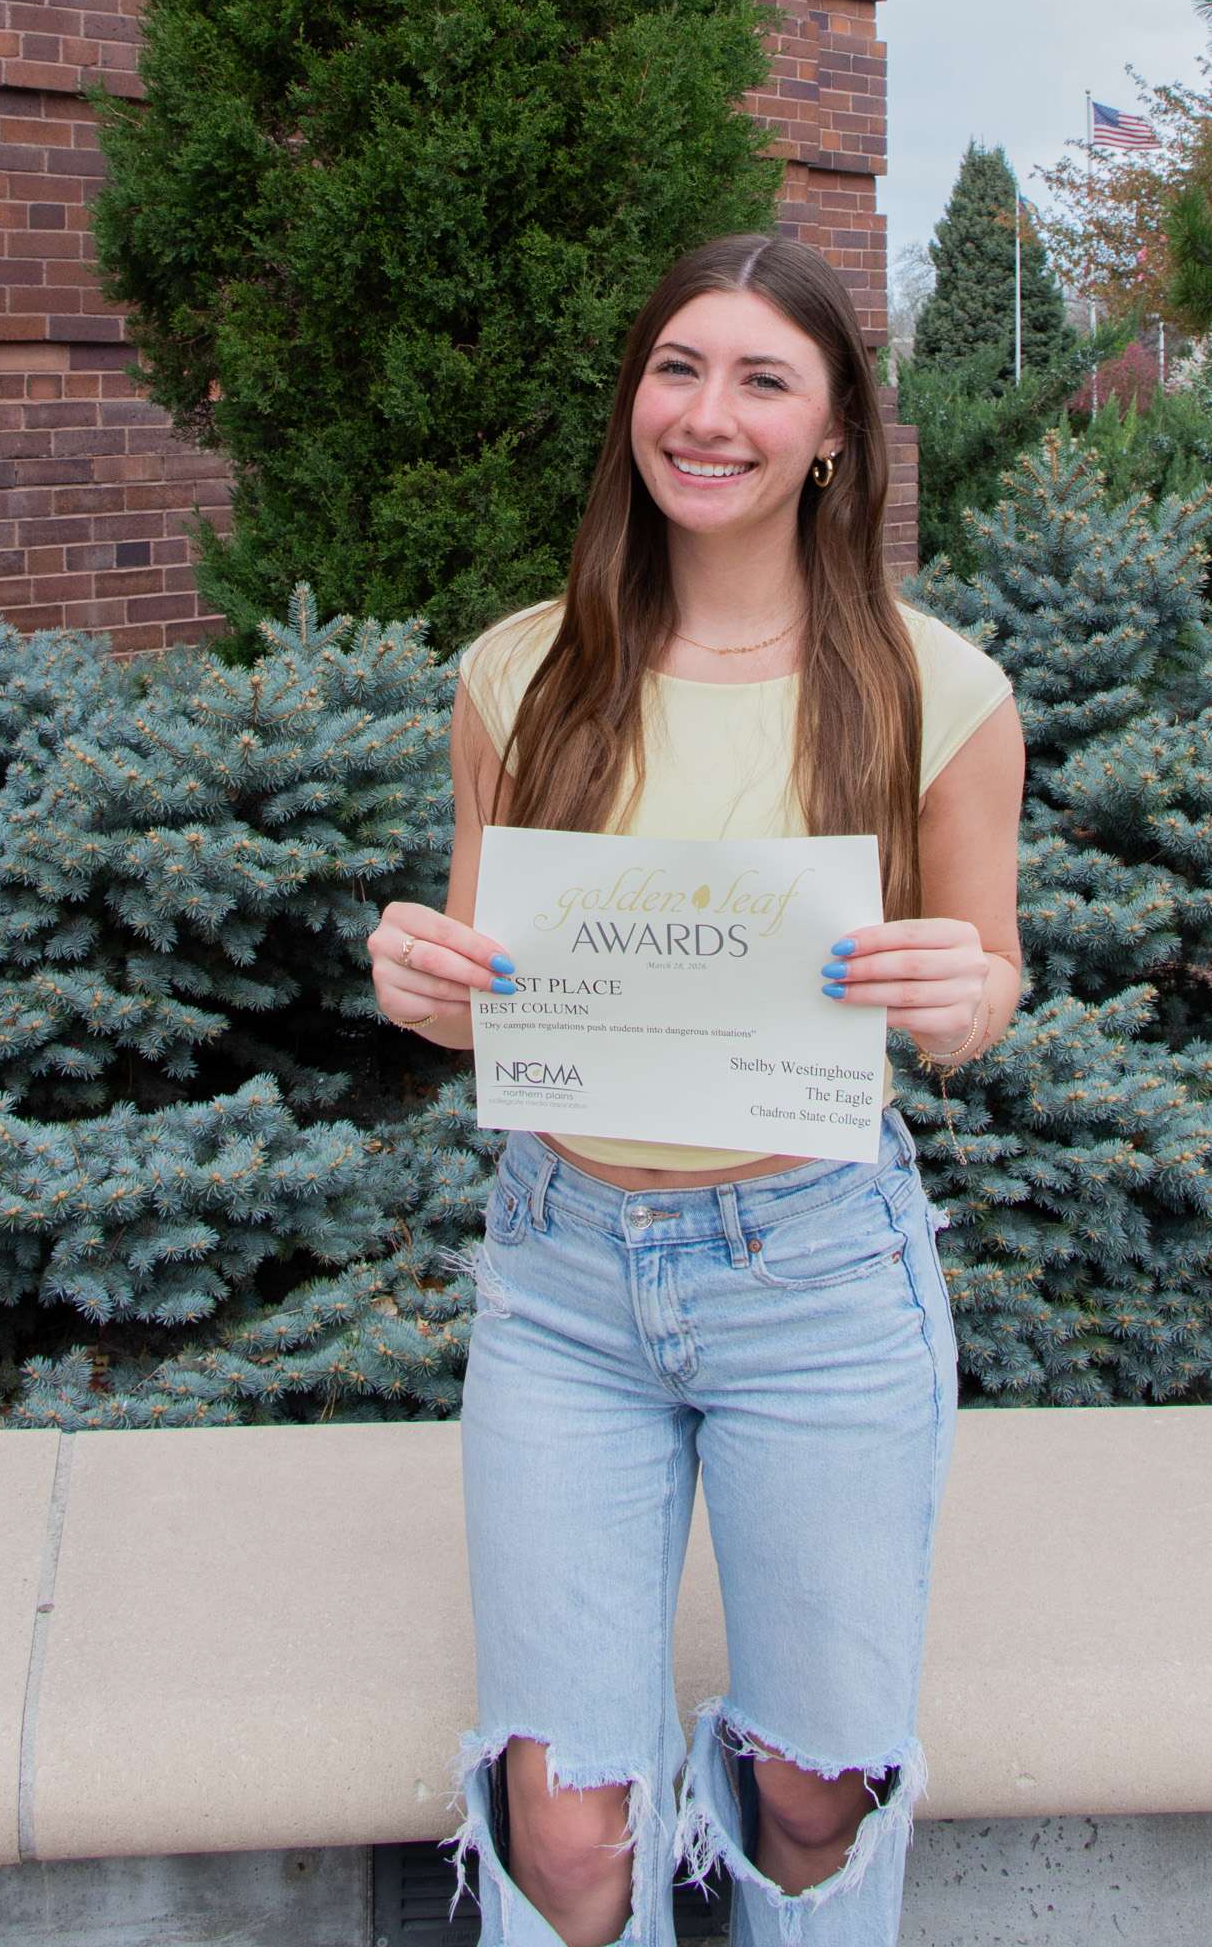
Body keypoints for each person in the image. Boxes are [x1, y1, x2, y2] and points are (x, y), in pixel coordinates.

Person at [366, 231, 1025, 1947]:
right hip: (562, 1276)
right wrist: (425, 987)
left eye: (760, 379)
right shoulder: (520, 668)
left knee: (814, 1795)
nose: (706, 413)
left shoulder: (935, 689)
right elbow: (486, 993)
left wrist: (964, 994)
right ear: (633, 402)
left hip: (814, 1280)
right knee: (566, 1827)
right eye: (677, 367)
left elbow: (982, 980)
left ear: (832, 435)